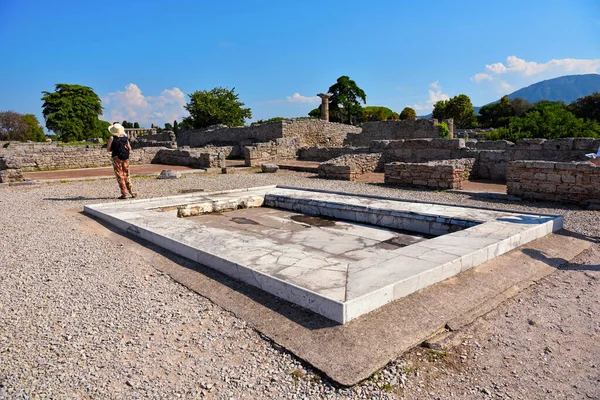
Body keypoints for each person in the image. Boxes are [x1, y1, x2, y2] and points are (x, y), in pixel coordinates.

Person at [107, 123, 137, 199]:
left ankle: (124, 194)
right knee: (127, 175)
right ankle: (132, 192)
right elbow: (129, 148)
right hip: (125, 158)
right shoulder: (125, 138)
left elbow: (108, 149)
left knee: (120, 175)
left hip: (116, 158)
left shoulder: (112, 138)